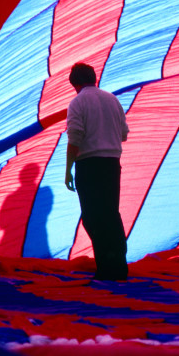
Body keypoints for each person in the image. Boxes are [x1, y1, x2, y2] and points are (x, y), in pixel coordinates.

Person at [65, 62, 129, 281]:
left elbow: (74, 139)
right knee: (111, 214)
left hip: (90, 165)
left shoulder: (77, 102)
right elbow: (123, 134)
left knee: (92, 217)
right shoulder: (113, 100)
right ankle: (119, 265)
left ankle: (105, 267)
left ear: (75, 83)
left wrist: (68, 170)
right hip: (112, 164)